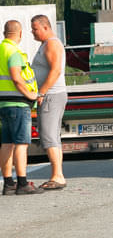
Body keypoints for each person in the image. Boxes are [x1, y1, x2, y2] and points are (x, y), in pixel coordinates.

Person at [0, 20, 42, 195]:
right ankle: (23, 183)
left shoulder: (1, 49)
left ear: (4, 33)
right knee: (21, 144)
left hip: (3, 103)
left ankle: (8, 183)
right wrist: (31, 95)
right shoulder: (15, 52)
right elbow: (17, 78)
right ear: (20, 34)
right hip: (18, 103)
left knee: (6, 144)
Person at [31, 15, 67, 190]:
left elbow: (56, 70)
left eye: (35, 29)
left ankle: (57, 176)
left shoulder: (52, 43)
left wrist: (42, 92)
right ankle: (57, 174)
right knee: (52, 136)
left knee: (49, 136)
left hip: (51, 95)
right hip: (52, 95)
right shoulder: (46, 44)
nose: (32, 32)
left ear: (45, 27)